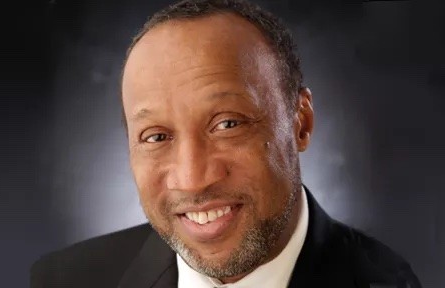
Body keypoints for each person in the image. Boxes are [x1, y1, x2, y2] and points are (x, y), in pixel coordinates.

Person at [31, 0, 421, 287]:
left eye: (227, 124)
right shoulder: (64, 279)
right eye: (157, 137)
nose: (193, 179)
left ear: (300, 123)